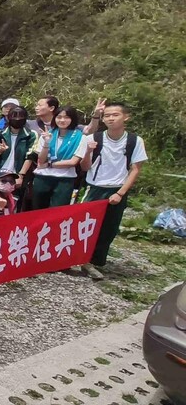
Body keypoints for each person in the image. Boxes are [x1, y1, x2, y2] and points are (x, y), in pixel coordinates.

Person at [79, 101, 147, 280]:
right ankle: (82, 259)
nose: (110, 118)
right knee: (86, 226)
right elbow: (84, 167)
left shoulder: (134, 141)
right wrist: (87, 152)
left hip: (117, 189)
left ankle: (95, 261)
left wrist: (120, 193)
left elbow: (135, 169)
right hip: (94, 188)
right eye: (107, 115)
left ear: (126, 117)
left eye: (115, 115)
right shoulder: (93, 138)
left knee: (109, 228)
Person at [31, 105, 87, 210]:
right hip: (42, 178)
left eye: (66, 117)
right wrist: (47, 143)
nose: (62, 120)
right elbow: (41, 160)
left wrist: (49, 164)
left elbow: (73, 162)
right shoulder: (47, 134)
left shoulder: (81, 137)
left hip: (64, 179)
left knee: (57, 212)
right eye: (59, 117)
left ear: (72, 119)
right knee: (37, 211)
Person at [0, 106, 38, 194]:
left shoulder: (31, 135)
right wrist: (0, 151)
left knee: (16, 203)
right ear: (8, 118)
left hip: (17, 176)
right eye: (14, 116)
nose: (17, 119)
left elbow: (30, 157)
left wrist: (20, 176)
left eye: (21, 117)